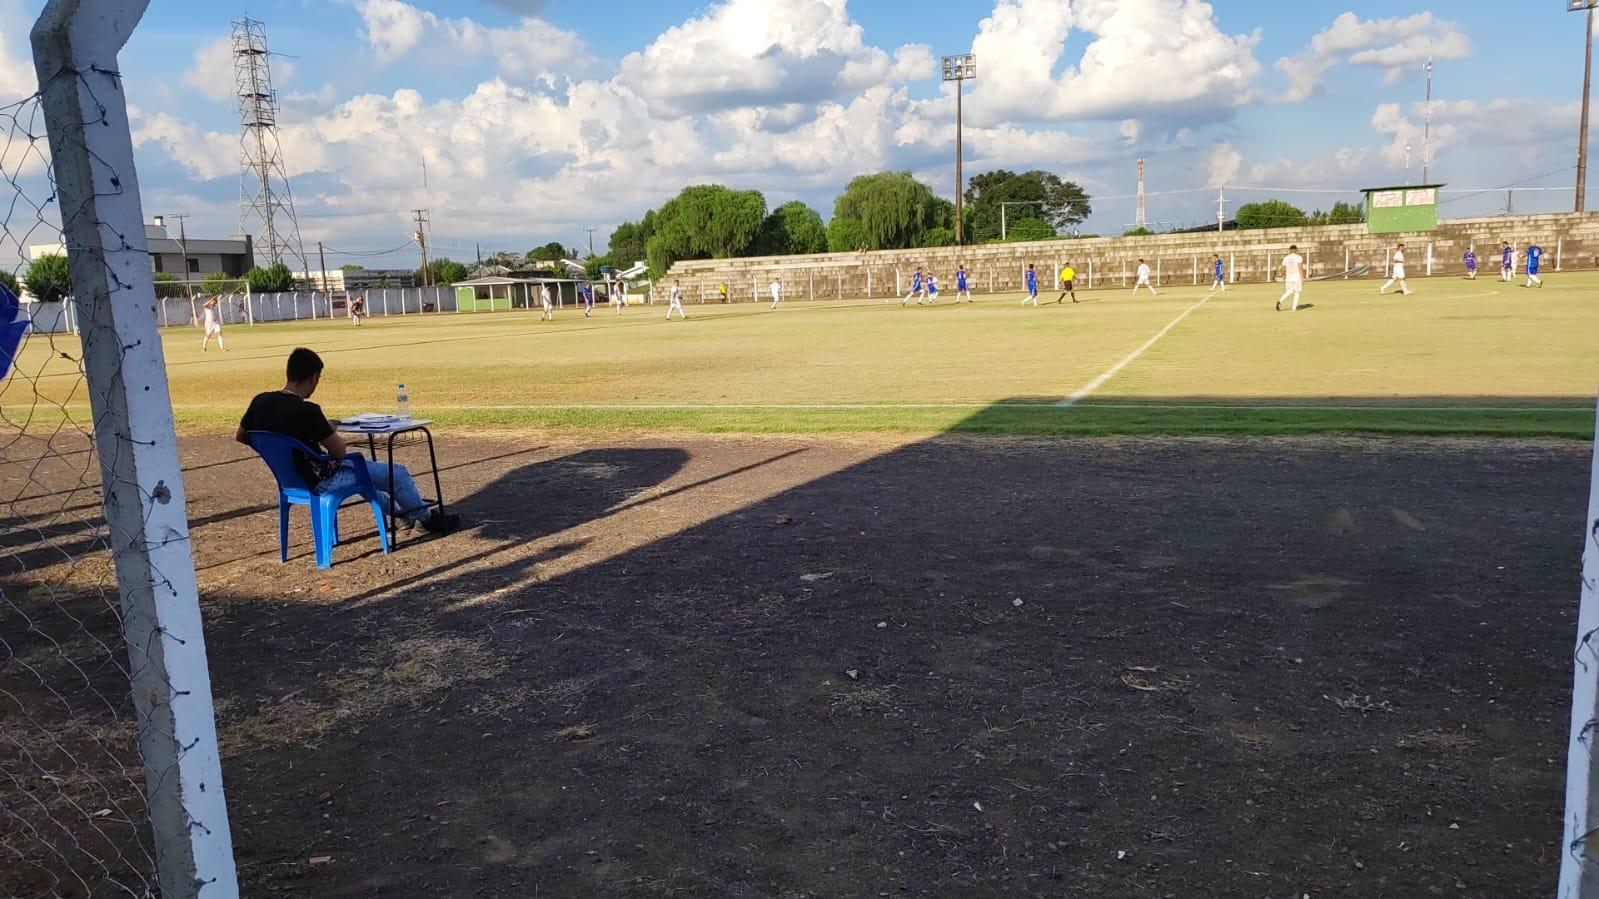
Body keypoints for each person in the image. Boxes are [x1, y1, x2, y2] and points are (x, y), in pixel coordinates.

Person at [237, 348, 460, 535]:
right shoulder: (307, 411)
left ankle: (403, 514)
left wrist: (277, 446)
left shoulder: (260, 402)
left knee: (364, 476)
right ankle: (426, 518)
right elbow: (340, 451)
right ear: (314, 377)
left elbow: (243, 435)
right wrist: (323, 431)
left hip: (290, 479)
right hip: (320, 478)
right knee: (394, 473)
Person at [1277, 245, 1306, 312]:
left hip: (1289, 277)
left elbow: (1281, 268)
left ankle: (1280, 301)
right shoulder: (1298, 257)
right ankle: (1294, 308)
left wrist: (1283, 275)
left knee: (1289, 291)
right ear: (1296, 250)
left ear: (1290, 250)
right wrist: (1302, 278)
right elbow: (1300, 268)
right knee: (1297, 292)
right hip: (1296, 277)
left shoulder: (1286, 258)